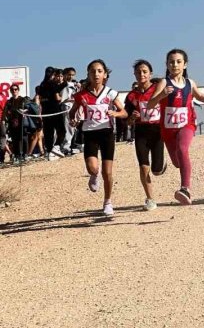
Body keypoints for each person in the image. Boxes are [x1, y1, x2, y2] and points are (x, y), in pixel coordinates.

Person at [148, 49, 204, 205]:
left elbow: (199, 95)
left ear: (185, 64)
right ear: (167, 65)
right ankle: (174, 168)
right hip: (168, 129)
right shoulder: (163, 83)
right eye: (171, 62)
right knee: (177, 162)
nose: (174, 65)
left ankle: (185, 189)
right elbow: (150, 104)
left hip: (186, 124)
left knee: (183, 150)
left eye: (178, 61)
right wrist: (162, 96)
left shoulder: (190, 83)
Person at [68, 59, 128, 216]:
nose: (96, 74)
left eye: (99, 71)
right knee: (93, 168)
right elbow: (72, 112)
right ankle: (94, 176)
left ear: (105, 74)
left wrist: (115, 113)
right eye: (93, 71)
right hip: (90, 134)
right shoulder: (81, 95)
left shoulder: (110, 93)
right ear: (88, 74)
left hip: (107, 133)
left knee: (107, 172)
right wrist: (73, 120)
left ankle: (108, 202)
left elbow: (124, 112)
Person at [124, 60, 167, 211]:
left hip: (158, 132)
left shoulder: (158, 89)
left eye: (144, 71)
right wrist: (133, 118)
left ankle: (161, 165)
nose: (141, 74)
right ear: (134, 75)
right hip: (141, 132)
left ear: (150, 74)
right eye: (138, 72)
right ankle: (150, 199)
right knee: (143, 168)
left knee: (156, 170)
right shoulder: (131, 96)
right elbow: (127, 122)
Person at [35, 67, 66, 159]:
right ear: (53, 75)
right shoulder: (53, 84)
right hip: (55, 112)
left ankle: (49, 152)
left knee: (48, 133)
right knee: (62, 131)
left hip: (45, 112)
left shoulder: (42, 84)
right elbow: (57, 97)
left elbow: (39, 98)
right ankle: (56, 147)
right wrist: (64, 98)